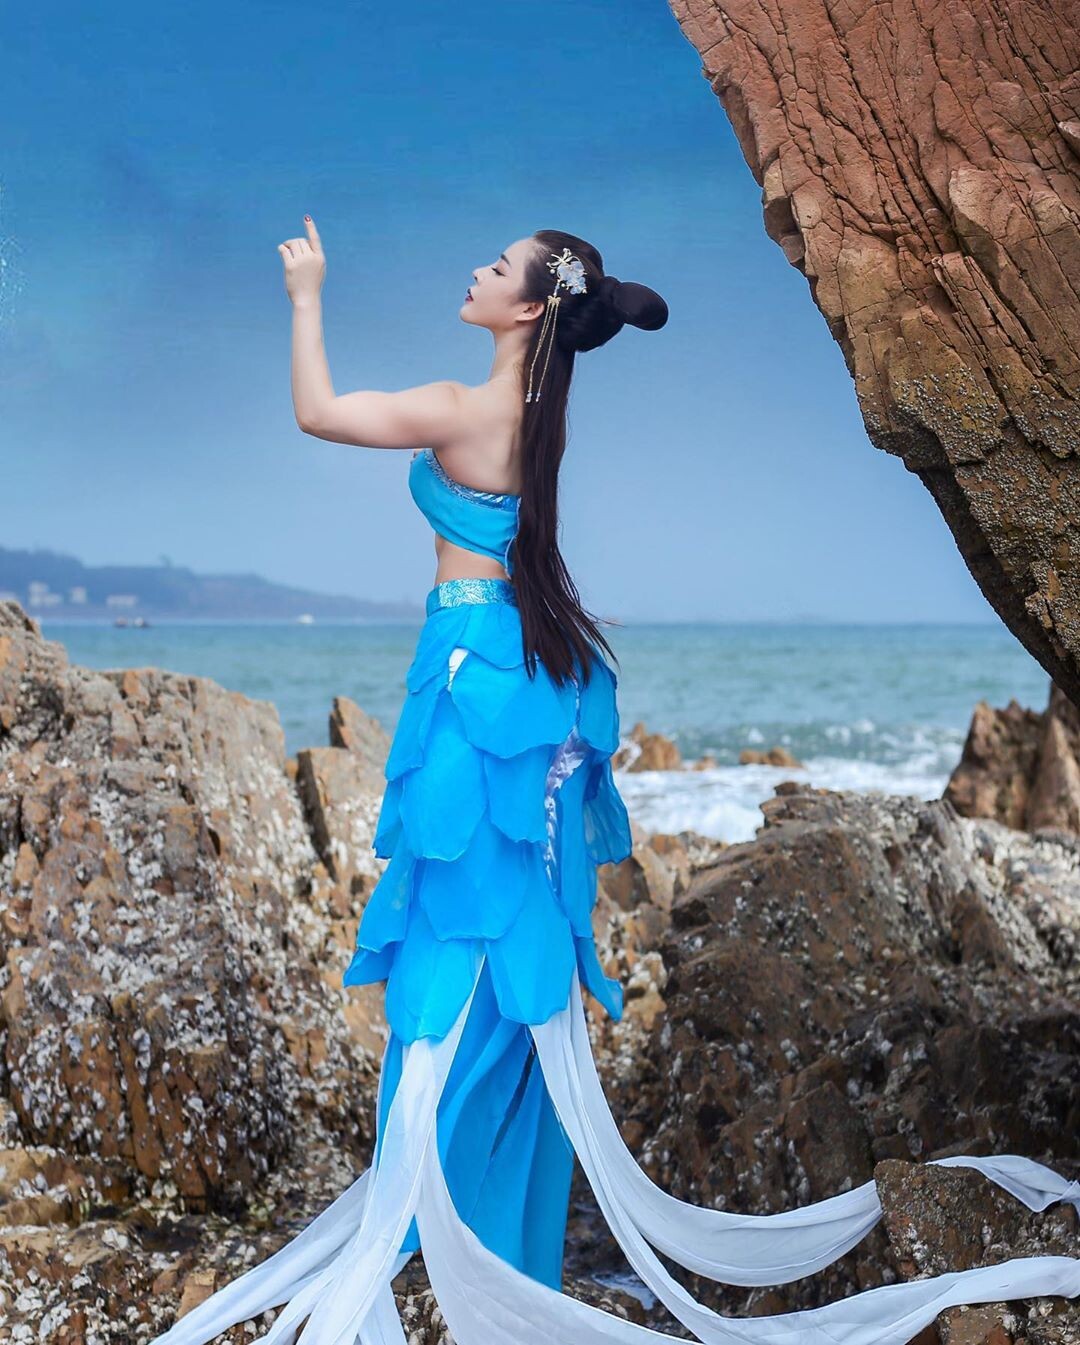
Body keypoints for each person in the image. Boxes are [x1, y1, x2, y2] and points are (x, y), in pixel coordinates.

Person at [149, 222, 1080, 1344]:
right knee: (511, 953)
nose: (477, 269)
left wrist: (306, 294)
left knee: (457, 941)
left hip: (471, 687)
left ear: (529, 309)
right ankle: (488, 1227)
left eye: (498, 266)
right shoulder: (538, 417)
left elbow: (317, 412)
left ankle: (431, 1210)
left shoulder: (464, 407)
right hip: (512, 680)